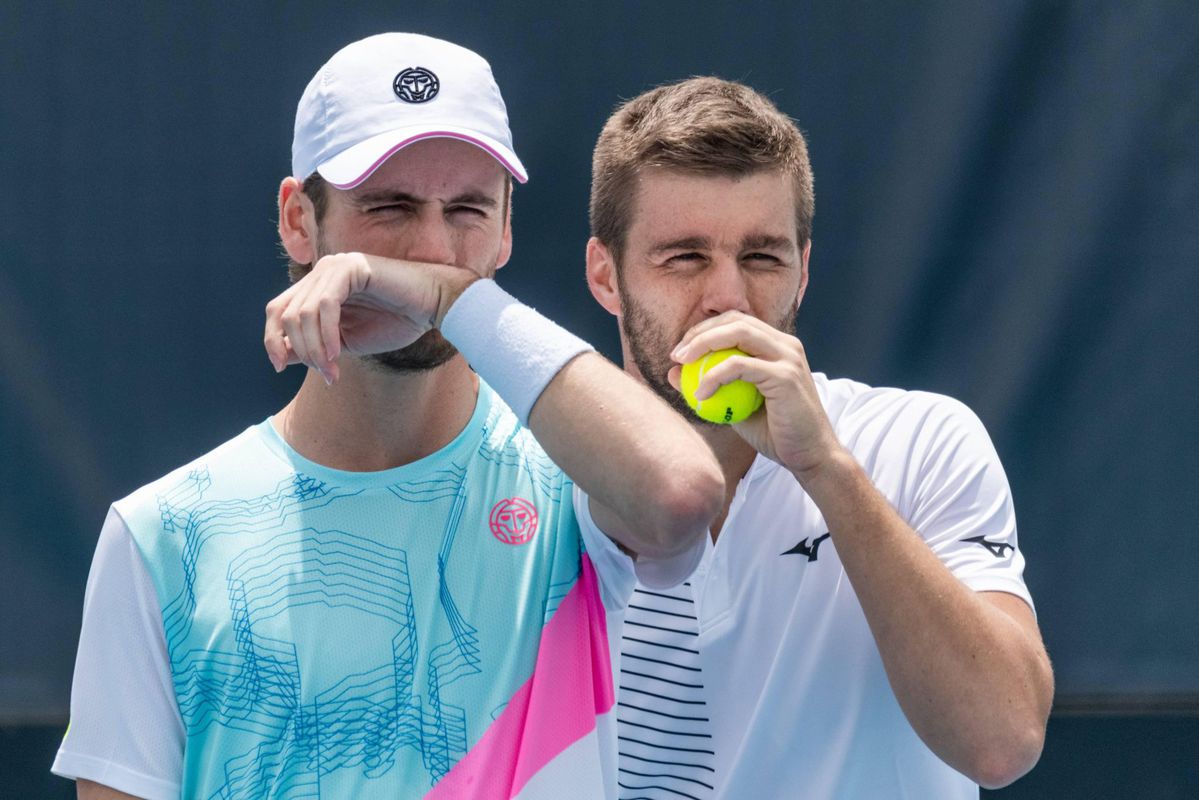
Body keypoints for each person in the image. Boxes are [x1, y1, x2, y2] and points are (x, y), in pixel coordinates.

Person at [51, 34, 723, 800]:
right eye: (389, 207)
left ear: (506, 229)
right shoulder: (160, 533)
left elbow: (680, 494)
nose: (432, 248)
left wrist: (453, 300)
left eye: (467, 208)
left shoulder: (577, 479)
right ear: (299, 222)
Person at [578, 77, 1055, 798]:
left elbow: (1002, 742)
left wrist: (824, 467)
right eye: (684, 258)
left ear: (801, 274)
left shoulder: (920, 440)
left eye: (762, 257)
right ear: (605, 277)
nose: (728, 298)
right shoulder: (528, 478)